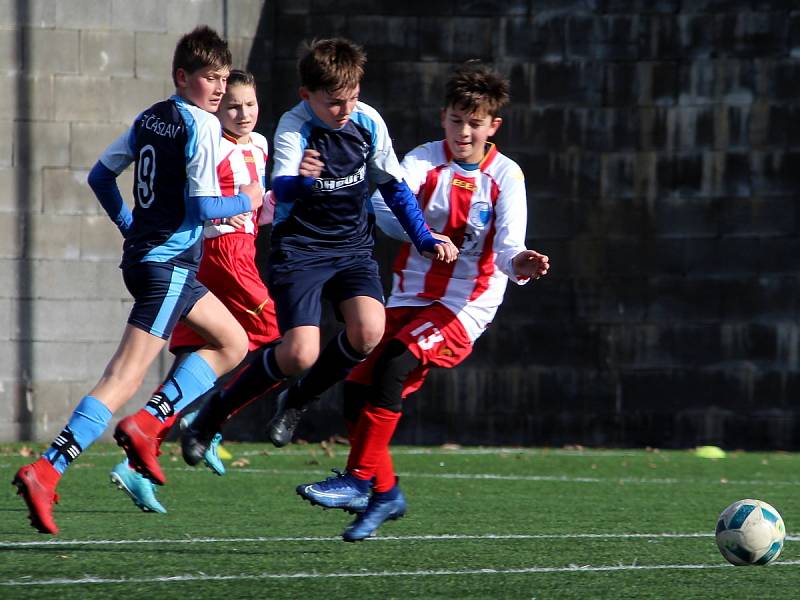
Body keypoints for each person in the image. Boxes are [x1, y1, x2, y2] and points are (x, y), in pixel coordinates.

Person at [12, 27, 263, 534]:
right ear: (181, 77)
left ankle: (148, 424)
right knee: (121, 379)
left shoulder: (151, 116)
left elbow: (101, 177)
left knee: (234, 341)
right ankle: (47, 469)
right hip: (169, 264)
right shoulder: (203, 126)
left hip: (156, 261)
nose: (217, 88)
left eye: (221, 78)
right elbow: (201, 207)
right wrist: (248, 201)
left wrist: (131, 227)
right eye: (207, 78)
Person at [295, 61, 550, 541]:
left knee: (393, 364)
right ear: (443, 117)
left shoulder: (505, 176)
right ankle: (386, 493)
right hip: (409, 296)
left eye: (475, 123)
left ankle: (356, 480)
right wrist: (423, 233)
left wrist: (523, 264)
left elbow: (509, 248)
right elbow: (383, 205)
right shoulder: (422, 160)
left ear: (493, 126)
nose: (464, 132)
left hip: (463, 306)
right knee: (357, 387)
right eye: (457, 120)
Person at [180, 37, 458, 462]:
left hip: (352, 247)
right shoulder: (295, 127)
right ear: (306, 95)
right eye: (334, 103)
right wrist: (303, 182)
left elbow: (393, 185)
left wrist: (423, 237)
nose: (346, 110)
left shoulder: (366, 121)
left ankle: (298, 399)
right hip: (302, 249)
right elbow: (283, 187)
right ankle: (214, 413)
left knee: (369, 331)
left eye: (353, 98)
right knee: (299, 353)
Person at [110, 69, 280, 514]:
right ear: (215, 109)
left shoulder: (260, 144)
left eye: (250, 104)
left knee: (197, 359)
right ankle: (205, 419)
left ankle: (135, 462)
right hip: (221, 252)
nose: (243, 113)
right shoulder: (210, 142)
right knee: (280, 342)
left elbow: (262, 204)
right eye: (232, 106)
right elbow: (204, 203)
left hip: (240, 248)